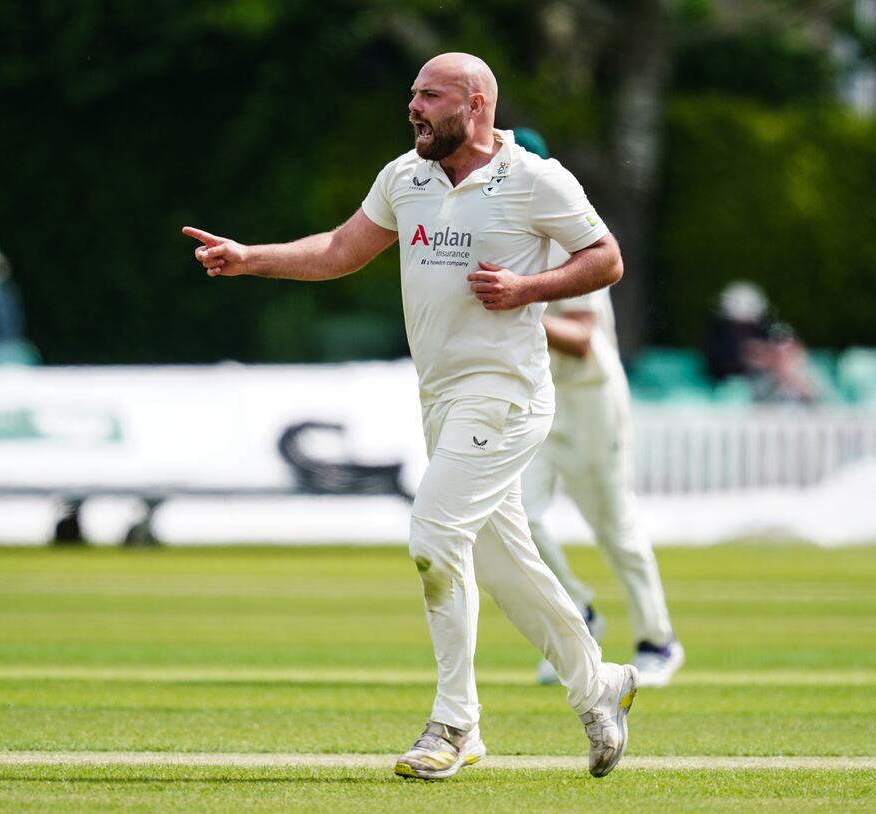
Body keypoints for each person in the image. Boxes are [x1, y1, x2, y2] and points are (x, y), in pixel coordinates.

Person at [185, 53, 639, 781]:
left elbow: (606, 258)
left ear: (478, 103)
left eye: (431, 95)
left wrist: (527, 288)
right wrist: (250, 257)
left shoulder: (535, 178)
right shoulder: (405, 177)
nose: (415, 107)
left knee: (432, 536)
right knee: (504, 564)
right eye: (412, 95)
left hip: (508, 393)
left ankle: (454, 724)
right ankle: (599, 686)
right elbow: (340, 250)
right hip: (442, 397)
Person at [511, 128, 685, 690]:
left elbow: (583, 336)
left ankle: (658, 639)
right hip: (537, 395)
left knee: (613, 523)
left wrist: (518, 305)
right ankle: (578, 612)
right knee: (515, 515)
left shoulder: (571, 239)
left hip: (588, 397)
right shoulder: (506, 234)